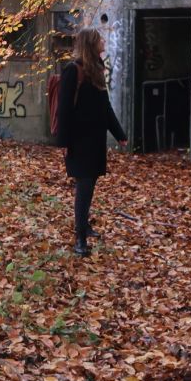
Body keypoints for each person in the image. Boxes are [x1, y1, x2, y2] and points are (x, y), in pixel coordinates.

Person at [55, 28, 126, 256]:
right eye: (99, 39)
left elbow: (105, 107)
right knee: (84, 188)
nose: (103, 41)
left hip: (95, 141)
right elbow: (64, 109)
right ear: (91, 44)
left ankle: (84, 226)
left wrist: (119, 134)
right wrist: (64, 142)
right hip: (78, 141)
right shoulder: (73, 70)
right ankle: (80, 239)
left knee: (90, 184)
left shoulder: (96, 68)